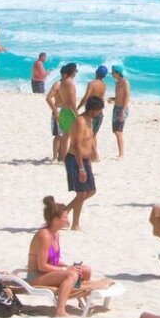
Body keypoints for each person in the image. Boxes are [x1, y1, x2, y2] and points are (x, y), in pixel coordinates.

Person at [28, 196, 113, 317]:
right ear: (56, 220)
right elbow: (42, 266)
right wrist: (66, 270)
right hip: (36, 276)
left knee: (85, 270)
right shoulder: (44, 236)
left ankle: (83, 300)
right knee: (71, 274)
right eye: (65, 217)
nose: (68, 220)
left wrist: (68, 266)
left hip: (48, 272)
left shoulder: (56, 233)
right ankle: (60, 310)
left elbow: (54, 261)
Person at [63, 95, 100, 229]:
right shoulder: (80, 121)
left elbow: (88, 140)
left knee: (91, 191)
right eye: (98, 110)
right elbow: (77, 145)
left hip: (85, 160)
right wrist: (81, 168)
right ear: (92, 110)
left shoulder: (89, 120)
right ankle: (75, 224)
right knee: (81, 193)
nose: (100, 113)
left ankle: (64, 211)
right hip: (75, 159)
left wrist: (92, 155)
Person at [46, 62, 79, 161]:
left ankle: (61, 156)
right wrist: (55, 111)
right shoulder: (59, 83)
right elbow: (48, 98)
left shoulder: (65, 83)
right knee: (58, 135)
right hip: (59, 109)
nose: (76, 72)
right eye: (75, 71)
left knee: (65, 135)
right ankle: (55, 157)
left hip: (65, 110)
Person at [109, 67, 130, 158]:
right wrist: (112, 99)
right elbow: (119, 96)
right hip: (116, 107)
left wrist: (123, 110)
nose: (111, 74)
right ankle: (120, 153)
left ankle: (121, 154)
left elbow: (127, 96)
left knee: (118, 131)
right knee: (116, 131)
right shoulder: (117, 83)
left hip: (122, 108)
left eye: (113, 72)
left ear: (118, 73)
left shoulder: (125, 82)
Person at [84, 66, 108, 133]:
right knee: (94, 136)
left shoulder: (91, 84)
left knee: (87, 135)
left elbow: (86, 97)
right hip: (100, 112)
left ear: (96, 72)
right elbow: (100, 98)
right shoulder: (104, 85)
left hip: (91, 111)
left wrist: (78, 107)